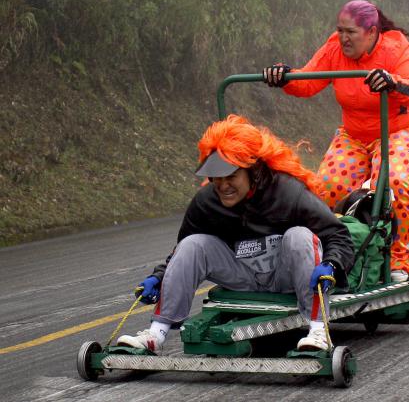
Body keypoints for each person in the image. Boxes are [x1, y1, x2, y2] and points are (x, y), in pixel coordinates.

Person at [116, 114, 354, 353]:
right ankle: (155, 335)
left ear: (254, 171)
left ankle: (318, 332)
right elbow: (181, 253)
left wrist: (331, 265)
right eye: (217, 178)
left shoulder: (289, 192)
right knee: (193, 244)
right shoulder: (206, 202)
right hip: (243, 276)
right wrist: (158, 278)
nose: (223, 185)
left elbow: (338, 236)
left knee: (300, 236)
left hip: (286, 277)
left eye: (231, 176)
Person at [263, 0, 409, 282]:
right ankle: (322, 253)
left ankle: (403, 260)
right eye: (340, 30)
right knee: (325, 188)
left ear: (371, 32)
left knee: (395, 181)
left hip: (399, 130)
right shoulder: (335, 48)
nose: (343, 37)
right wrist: (284, 77)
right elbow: (307, 81)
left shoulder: (394, 47)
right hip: (355, 135)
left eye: (351, 32)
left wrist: (393, 84)